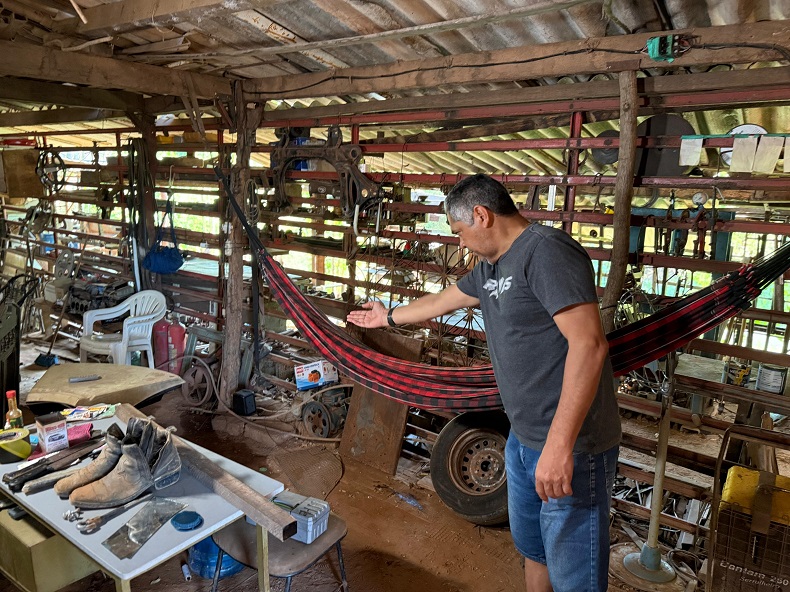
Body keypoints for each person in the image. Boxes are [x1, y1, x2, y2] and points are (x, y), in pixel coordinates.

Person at [346, 174, 621, 592]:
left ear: (481, 215)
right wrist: (388, 316)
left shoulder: (545, 252)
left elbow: (589, 346)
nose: (460, 243)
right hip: (524, 441)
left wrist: (559, 446)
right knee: (535, 550)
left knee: (575, 576)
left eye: (459, 232)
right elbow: (442, 301)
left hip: (572, 448)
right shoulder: (492, 266)